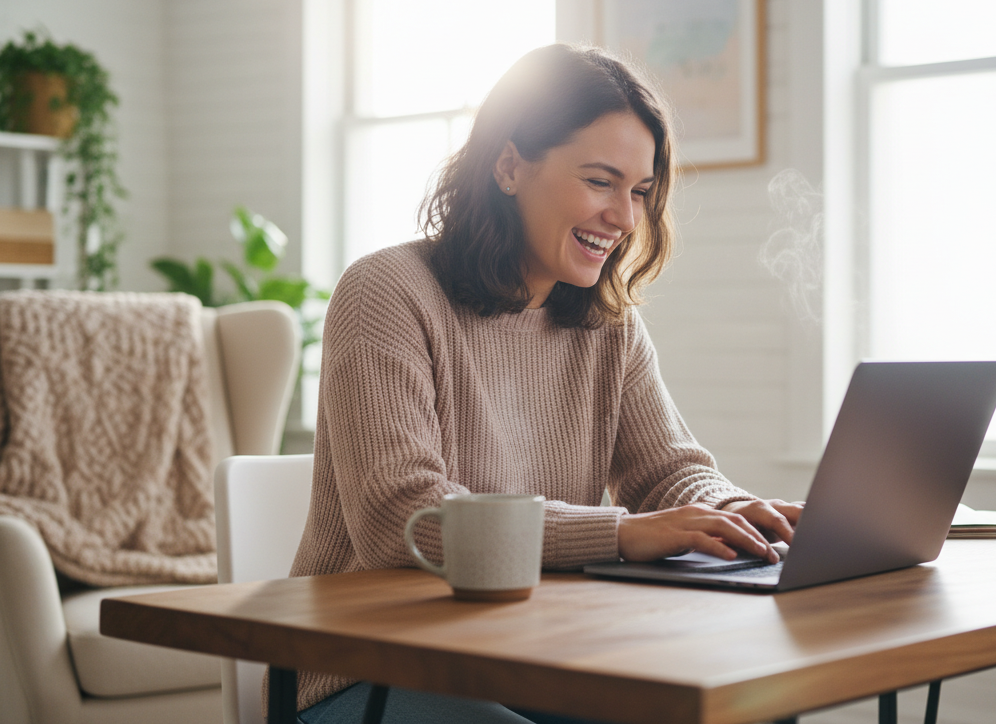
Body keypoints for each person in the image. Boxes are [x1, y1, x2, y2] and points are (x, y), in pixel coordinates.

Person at [288, 44, 805, 724]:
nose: (625, 218)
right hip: (368, 670)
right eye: (600, 181)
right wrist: (622, 535)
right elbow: (401, 519)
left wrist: (736, 514)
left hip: (536, 658)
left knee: (755, 707)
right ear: (509, 166)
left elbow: (669, 472)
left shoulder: (604, 321)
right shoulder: (386, 293)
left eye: (641, 192)